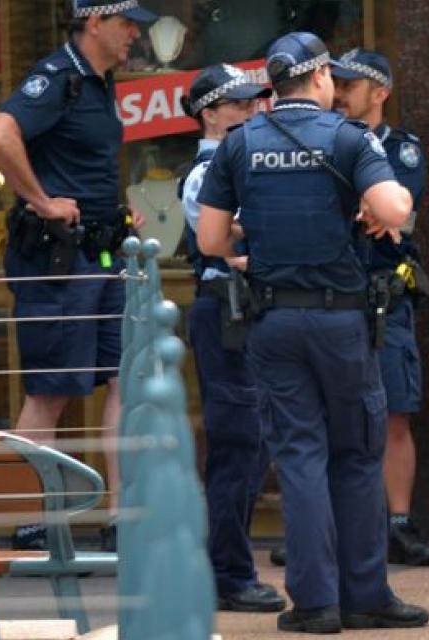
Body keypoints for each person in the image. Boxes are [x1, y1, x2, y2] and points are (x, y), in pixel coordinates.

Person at [195, 32, 428, 633]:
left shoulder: (241, 144)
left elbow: (211, 242)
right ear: (320, 75)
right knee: (355, 455)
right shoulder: (349, 139)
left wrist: (262, 238)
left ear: (276, 82)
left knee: (299, 455)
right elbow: (397, 211)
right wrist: (386, 200)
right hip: (342, 320)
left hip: (272, 320)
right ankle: (366, 595)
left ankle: (315, 604)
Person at [0, 0, 154, 552]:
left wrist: (118, 209)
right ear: (94, 21)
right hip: (59, 262)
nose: (135, 34)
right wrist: (41, 200)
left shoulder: (99, 83)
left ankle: (122, 516)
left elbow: (84, 164)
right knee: (51, 392)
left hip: (101, 254)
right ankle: (32, 520)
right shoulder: (57, 77)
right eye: (127, 23)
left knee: (122, 381)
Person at [177, 64, 286, 613]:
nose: (251, 110)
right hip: (225, 308)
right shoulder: (205, 173)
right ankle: (227, 573)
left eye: (254, 101)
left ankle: (231, 567)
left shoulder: (241, 164)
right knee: (237, 445)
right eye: (238, 103)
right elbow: (223, 240)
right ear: (208, 112)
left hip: (246, 309)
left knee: (253, 444)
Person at [330, 47, 429, 567]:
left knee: (396, 412)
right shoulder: (324, 137)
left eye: (349, 85)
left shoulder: (404, 148)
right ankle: (325, 525)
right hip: (334, 290)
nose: (338, 92)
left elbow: (395, 208)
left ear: (380, 92)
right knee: (330, 414)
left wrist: (371, 208)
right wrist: (370, 208)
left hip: (386, 294)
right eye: (334, 83)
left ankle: (398, 522)